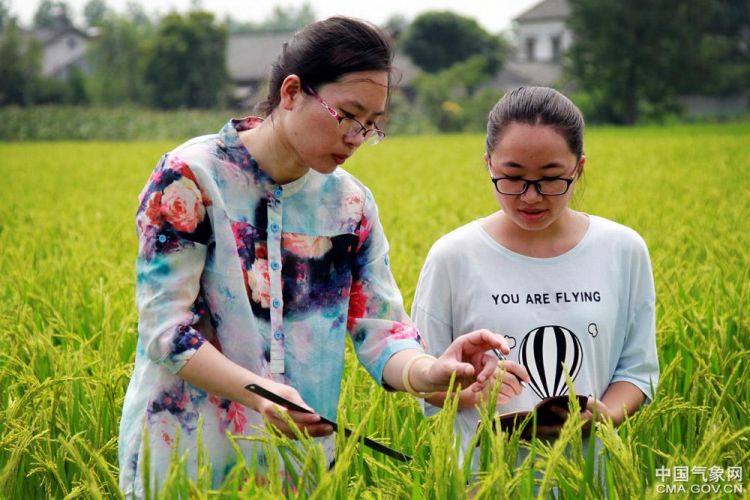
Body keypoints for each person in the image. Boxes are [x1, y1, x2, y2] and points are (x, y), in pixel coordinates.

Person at [118, 17, 509, 496]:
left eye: (372, 125)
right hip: (186, 461)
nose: (356, 137)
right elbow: (166, 331)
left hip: (296, 470)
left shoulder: (351, 207)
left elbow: (382, 331)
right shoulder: (190, 179)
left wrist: (431, 372)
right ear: (291, 92)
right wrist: (258, 394)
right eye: (347, 114)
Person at [412, 86, 659, 463]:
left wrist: (606, 415)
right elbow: (425, 380)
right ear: (488, 164)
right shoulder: (453, 256)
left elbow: (637, 370)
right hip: (485, 480)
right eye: (512, 177)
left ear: (579, 167)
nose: (531, 196)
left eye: (550, 178)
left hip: (592, 479)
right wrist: (475, 393)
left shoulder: (623, 249)